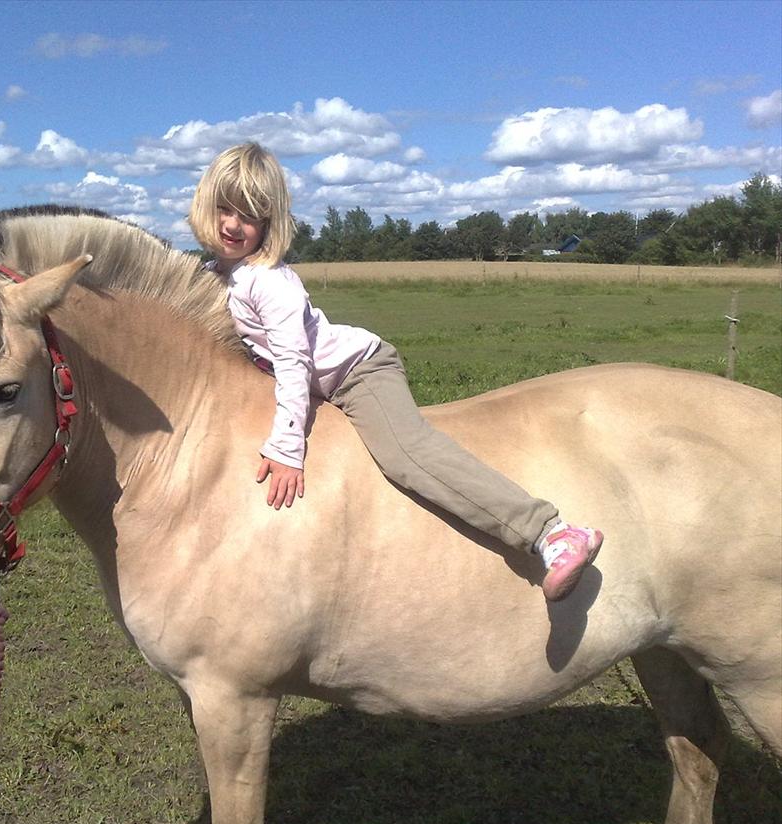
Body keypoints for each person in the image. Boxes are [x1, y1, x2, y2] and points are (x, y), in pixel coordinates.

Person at [187, 142, 603, 601]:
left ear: (269, 223)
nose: (232, 224)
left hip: (357, 372)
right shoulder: (215, 273)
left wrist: (287, 447)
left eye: (248, 215)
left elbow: (293, 362)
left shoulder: (269, 282)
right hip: (319, 381)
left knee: (407, 453)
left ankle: (549, 532)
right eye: (225, 208)